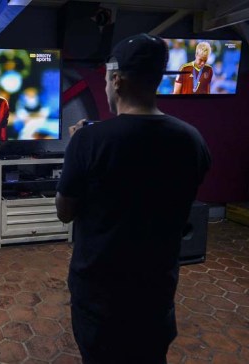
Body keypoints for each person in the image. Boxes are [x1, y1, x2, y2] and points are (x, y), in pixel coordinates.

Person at [56, 33, 211, 364]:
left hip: (100, 295)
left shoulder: (88, 141)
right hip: (155, 291)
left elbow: (64, 212)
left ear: (116, 79)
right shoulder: (192, 139)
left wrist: (76, 149)